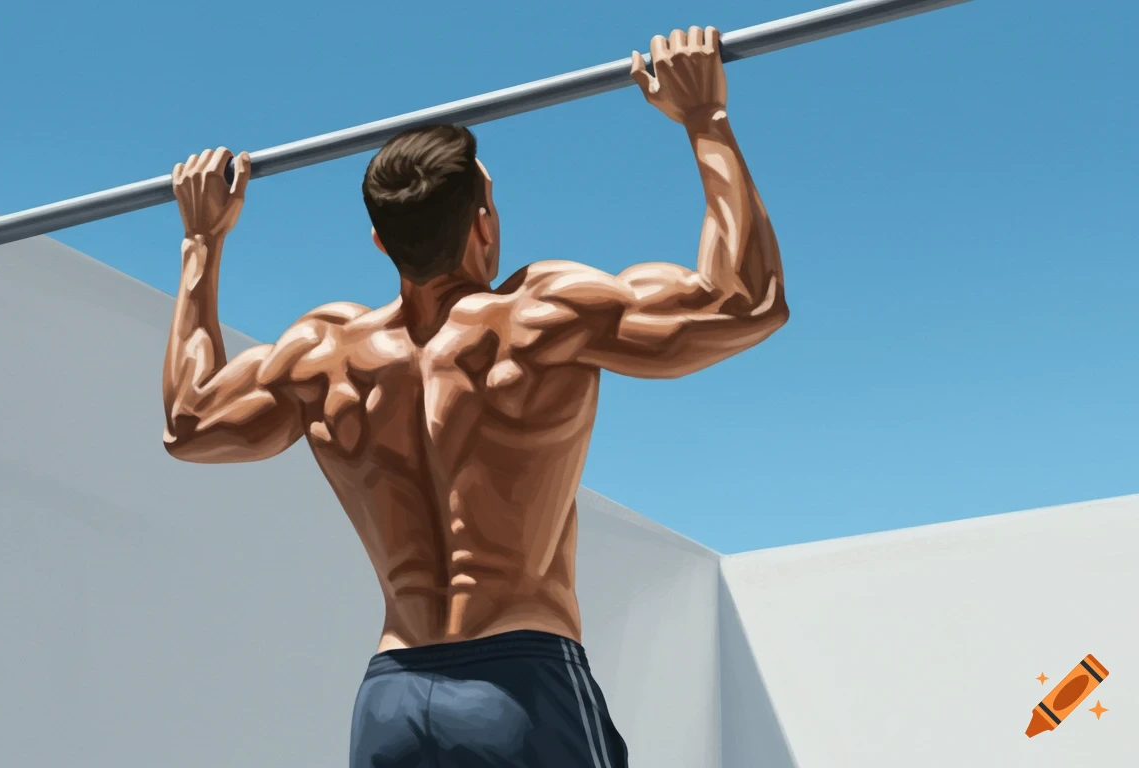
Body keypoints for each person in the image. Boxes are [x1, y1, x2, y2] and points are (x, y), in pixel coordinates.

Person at [161, 25, 784, 768]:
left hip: (391, 699)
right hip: (518, 687)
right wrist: (704, 119)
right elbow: (745, 301)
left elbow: (190, 420)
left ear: (382, 244)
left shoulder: (324, 356)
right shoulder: (539, 320)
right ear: (484, 223)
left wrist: (202, 243)